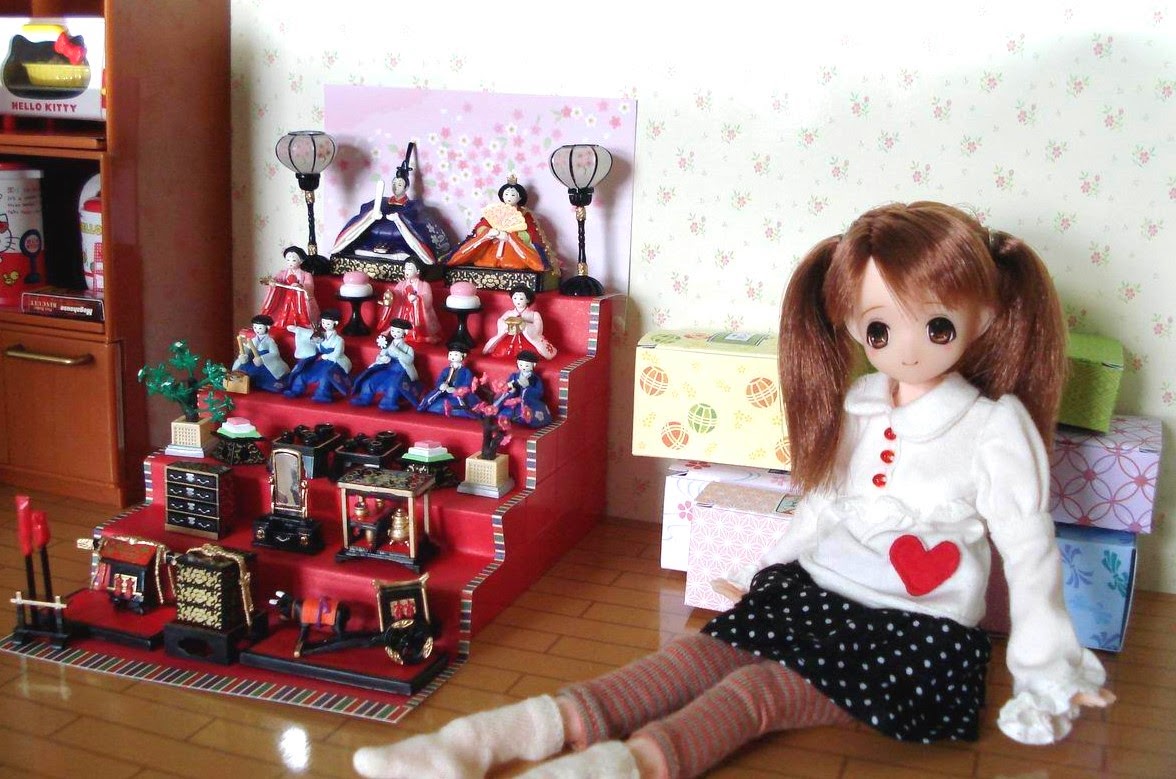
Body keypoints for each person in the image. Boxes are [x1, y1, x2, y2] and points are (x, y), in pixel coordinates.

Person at [352, 202, 1114, 779]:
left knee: (756, 694)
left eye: (937, 326)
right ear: (854, 328)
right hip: (819, 592)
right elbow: (823, 506)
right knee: (691, 658)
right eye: (881, 331)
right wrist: (765, 576)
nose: (906, 350)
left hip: (913, 632)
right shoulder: (861, 406)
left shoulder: (993, 427)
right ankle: (476, 741)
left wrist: (1045, 663)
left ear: (988, 316)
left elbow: (1028, 546)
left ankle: (620, 767)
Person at [331, 148, 451, 265]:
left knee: (401, 236)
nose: (396, 187)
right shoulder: (382, 202)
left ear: (406, 187)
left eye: (399, 184)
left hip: (400, 245)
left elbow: (415, 218)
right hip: (374, 243)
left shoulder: (413, 206)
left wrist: (399, 218)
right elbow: (365, 211)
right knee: (369, 233)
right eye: (394, 183)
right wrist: (372, 215)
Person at [445, 177, 555, 271]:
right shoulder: (496, 212)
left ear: (520, 197)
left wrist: (510, 236)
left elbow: (530, 235)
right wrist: (489, 232)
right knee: (484, 259)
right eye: (506, 194)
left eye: (513, 195)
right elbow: (481, 226)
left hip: (514, 248)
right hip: (493, 243)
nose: (509, 197)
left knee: (515, 262)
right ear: (502, 196)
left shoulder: (525, 215)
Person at [350, 318, 422, 411]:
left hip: (401, 371)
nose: (395, 333)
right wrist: (382, 358)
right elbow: (381, 355)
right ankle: (364, 398)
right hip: (388, 368)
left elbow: (409, 360)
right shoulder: (388, 344)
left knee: (393, 385)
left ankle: (389, 402)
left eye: (398, 331)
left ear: (405, 332)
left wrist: (397, 352)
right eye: (393, 331)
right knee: (370, 381)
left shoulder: (408, 348)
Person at [283, 310, 352, 403]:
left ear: (335, 323)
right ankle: (296, 390)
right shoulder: (320, 334)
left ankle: (323, 394)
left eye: (328, 323)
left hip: (334, 361)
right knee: (304, 372)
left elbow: (337, 353)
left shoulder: (339, 340)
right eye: (323, 322)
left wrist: (327, 356)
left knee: (325, 376)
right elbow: (308, 333)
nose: (325, 325)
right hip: (321, 360)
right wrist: (296, 329)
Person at [373, 257, 441, 343]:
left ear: (418, 271)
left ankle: (422, 337)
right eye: (405, 269)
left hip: (416, 313)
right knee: (398, 323)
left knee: (416, 328)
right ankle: (394, 332)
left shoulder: (424, 285)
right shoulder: (402, 283)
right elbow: (397, 292)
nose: (406, 271)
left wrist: (417, 299)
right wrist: (392, 295)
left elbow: (428, 298)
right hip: (403, 311)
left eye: (409, 269)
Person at [483, 285, 557, 359]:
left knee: (530, 353)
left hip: (527, 338)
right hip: (510, 336)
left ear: (528, 300)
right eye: (515, 298)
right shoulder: (509, 313)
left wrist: (525, 326)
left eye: (521, 298)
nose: (517, 301)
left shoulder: (534, 314)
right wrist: (508, 326)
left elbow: (538, 328)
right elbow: (501, 321)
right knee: (503, 350)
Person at [259, 246, 320, 331]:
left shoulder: (306, 274)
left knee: (300, 314)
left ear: (301, 261)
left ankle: (300, 325)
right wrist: (273, 282)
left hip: (299, 299)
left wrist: (300, 286)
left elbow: (309, 286)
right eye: (288, 260)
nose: (290, 263)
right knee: (283, 312)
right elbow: (277, 280)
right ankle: (283, 323)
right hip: (285, 298)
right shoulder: (283, 273)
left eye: (293, 260)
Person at [416, 342, 481, 419]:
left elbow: (467, 384)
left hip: (458, 396)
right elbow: (440, 380)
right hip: (446, 394)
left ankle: (456, 409)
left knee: (464, 405)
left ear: (463, 356)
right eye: (451, 354)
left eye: (456, 355)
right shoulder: (446, 370)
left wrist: (457, 390)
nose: (453, 357)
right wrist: (442, 386)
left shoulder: (466, 371)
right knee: (436, 404)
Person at [490, 350, 552, 428]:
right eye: (521, 365)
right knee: (504, 408)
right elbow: (509, 384)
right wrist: (509, 388)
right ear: (517, 363)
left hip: (528, 401)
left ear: (534, 365)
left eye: (526, 366)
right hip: (514, 398)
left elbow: (539, 392)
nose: (523, 367)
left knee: (527, 413)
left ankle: (519, 419)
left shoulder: (535, 379)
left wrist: (527, 388)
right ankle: (506, 418)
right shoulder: (514, 376)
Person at [231, 314, 289, 392]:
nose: (257, 330)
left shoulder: (270, 341)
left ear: (267, 327)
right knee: (243, 372)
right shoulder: (253, 340)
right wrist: (243, 356)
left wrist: (262, 359)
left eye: (260, 328)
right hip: (252, 362)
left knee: (266, 379)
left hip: (265, 364)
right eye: (255, 327)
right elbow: (246, 349)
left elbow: (275, 354)